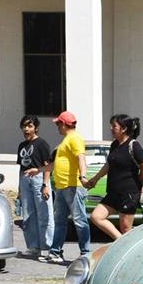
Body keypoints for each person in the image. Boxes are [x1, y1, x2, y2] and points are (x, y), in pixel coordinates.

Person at [82, 114, 143, 240]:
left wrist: (139, 178)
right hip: (113, 193)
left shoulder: (133, 145)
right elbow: (108, 165)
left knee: (125, 229)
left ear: (123, 129)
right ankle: (120, 241)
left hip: (128, 193)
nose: (111, 129)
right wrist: (95, 179)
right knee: (96, 217)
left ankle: (128, 250)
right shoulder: (115, 145)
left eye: (114, 126)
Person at [48, 110, 91, 264]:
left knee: (79, 220)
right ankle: (55, 252)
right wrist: (38, 170)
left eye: (58, 123)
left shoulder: (74, 139)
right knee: (60, 221)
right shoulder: (67, 140)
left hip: (72, 186)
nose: (57, 126)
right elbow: (55, 163)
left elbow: (81, 157)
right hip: (62, 186)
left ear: (64, 124)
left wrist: (83, 176)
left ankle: (86, 253)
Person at [15, 115, 54, 260]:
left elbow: (47, 166)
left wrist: (45, 185)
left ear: (35, 128)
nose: (26, 129)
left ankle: (48, 247)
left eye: (30, 126)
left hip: (39, 178)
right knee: (28, 215)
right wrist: (19, 188)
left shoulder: (42, 143)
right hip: (25, 179)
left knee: (44, 214)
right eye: (24, 126)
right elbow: (21, 168)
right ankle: (33, 247)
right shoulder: (21, 146)